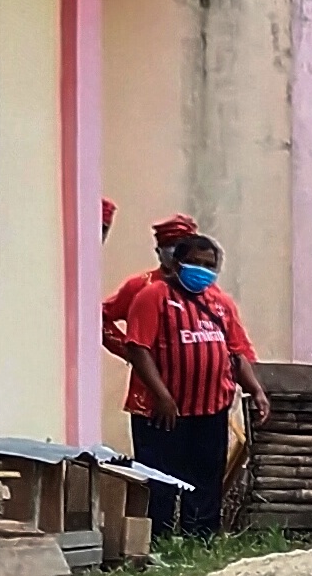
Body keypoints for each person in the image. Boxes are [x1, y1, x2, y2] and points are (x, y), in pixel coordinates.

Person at [101, 215, 267, 539]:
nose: (201, 270)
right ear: (175, 262)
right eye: (194, 263)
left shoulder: (220, 303)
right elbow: (137, 347)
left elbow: (237, 352)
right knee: (159, 478)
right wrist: (162, 395)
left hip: (211, 408)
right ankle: (159, 539)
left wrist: (256, 390)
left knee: (206, 477)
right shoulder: (149, 293)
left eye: (209, 265)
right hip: (163, 409)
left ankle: (201, 538)